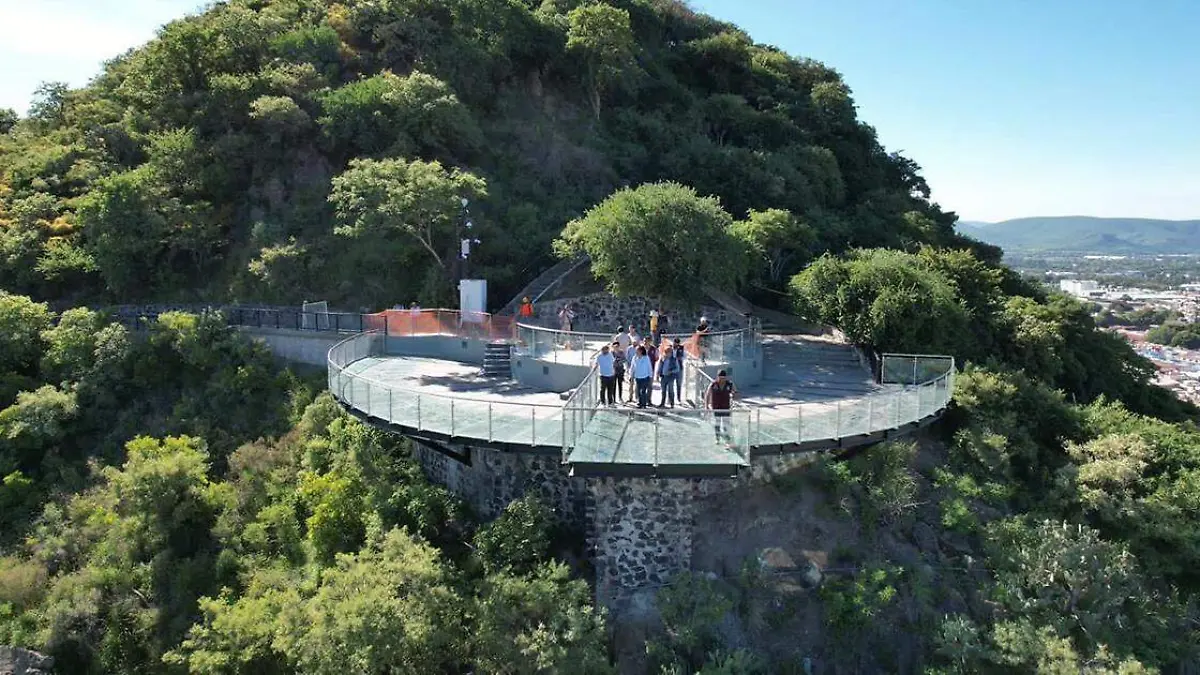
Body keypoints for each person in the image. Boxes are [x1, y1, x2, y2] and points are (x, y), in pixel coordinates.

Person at [706, 369, 738, 447]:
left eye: (723, 378)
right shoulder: (713, 384)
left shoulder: (730, 384)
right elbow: (707, 394)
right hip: (716, 407)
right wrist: (706, 406)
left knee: (726, 425)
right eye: (720, 378)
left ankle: (727, 440)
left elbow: (736, 392)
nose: (722, 380)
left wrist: (734, 395)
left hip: (726, 407)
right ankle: (717, 438)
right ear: (717, 377)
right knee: (717, 424)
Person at [656, 344, 681, 408]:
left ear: (671, 353)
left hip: (670, 377)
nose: (667, 354)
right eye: (666, 352)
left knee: (670, 390)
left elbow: (677, 369)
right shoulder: (662, 359)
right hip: (663, 376)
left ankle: (672, 404)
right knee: (663, 391)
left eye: (668, 352)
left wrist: (671, 371)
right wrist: (658, 374)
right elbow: (659, 367)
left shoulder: (674, 359)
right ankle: (662, 403)